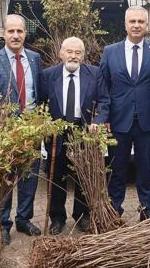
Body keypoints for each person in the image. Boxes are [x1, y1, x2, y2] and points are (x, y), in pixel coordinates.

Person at [99, 6, 150, 221]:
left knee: (146, 170)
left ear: (147, 25)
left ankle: (147, 212)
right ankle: (114, 212)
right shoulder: (110, 52)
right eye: (133, 21)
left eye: (141, 21)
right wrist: (104, 117)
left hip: (147, 122)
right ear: (126, 24)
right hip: (118, 122)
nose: (137, 25)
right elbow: (103, 86)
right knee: (117, 170)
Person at [0, 14, 43, 244]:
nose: (15, 35)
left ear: (25, 34)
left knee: (30, 177)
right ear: (3, 33)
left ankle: (24, 219)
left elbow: (39, 92)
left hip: (32, 130)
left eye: (20, 31)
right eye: (11, 31)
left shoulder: (35, 59)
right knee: (5, 180)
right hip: (6, 132)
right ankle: (3, 224)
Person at [39, 36, 110, 234]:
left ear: (83, 55)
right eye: (69, 52)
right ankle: (57, 218)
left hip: (84, 131)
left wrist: (97, 122)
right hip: (57, 133)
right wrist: (45, 124)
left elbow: (104, 101)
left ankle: (82, 215)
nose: (73, 56)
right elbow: (41, 104)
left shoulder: (95, 74)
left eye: (78, 52)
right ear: (61, 53)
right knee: (56, 177)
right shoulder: (48, 75)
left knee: (83, 175)